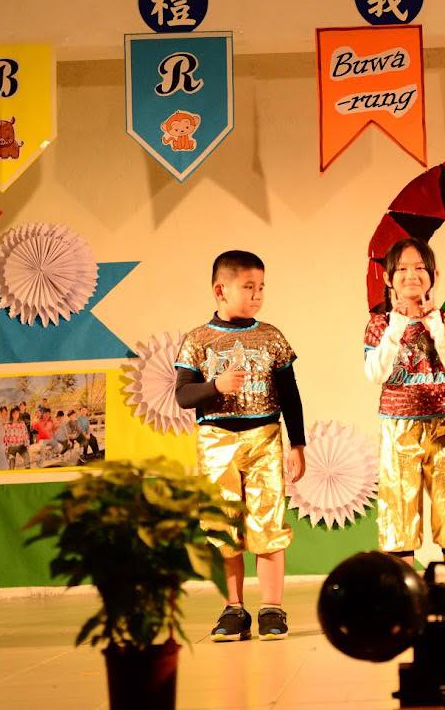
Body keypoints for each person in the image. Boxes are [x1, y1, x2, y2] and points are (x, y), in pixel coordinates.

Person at [174, 250, 306, 643]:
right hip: (217, 443)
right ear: (221, 290)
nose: (257, 294)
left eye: (261, 287)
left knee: (268, 523)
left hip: (264, 437)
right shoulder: (198, 340)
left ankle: (272, 608)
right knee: (223, 525)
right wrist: (216, 386)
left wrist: (298, 443)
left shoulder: (271, 337)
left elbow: (290, 393)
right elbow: (183, 395)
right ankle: (233, 609)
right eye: (249, 287)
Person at [363, 238, 445, 580]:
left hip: (442, 425)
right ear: (388, 278)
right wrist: (398, 325)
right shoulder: (380, 324)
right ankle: (403, 594)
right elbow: (376, 374)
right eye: (402, 269)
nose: (411, 276)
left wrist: (435, 326)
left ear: (434, 275)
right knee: (398, 510)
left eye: (419, 268)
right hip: (398, 427)